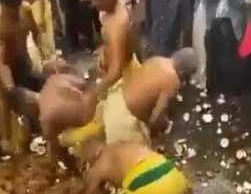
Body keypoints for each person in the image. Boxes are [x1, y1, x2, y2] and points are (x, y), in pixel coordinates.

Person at [40, 49, 197, 152]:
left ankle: (76, 145)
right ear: (184, 73)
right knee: (133, 167)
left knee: (105, 147)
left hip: (114, 100)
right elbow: (157, 116)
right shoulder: (173, 81)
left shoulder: (158, 60)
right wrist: (160, 131)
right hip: (124, 122)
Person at [0, 0, 44, 95]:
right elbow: (1, 64)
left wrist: (41, 58)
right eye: (12, 7)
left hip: (26, 64)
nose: (15, 9)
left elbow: (36, 34)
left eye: (17, 3)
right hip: (9, 75)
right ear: (2, 3)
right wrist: (12, 90)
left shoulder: (25, 10)